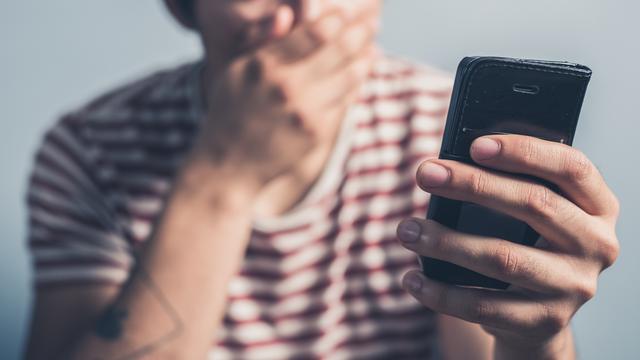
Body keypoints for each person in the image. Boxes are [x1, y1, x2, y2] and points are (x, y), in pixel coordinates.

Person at [24, 0, 620, 359]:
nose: (301, 14)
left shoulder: (440, 138)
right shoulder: (88, 150)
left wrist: (537, 340)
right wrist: (222, 178)